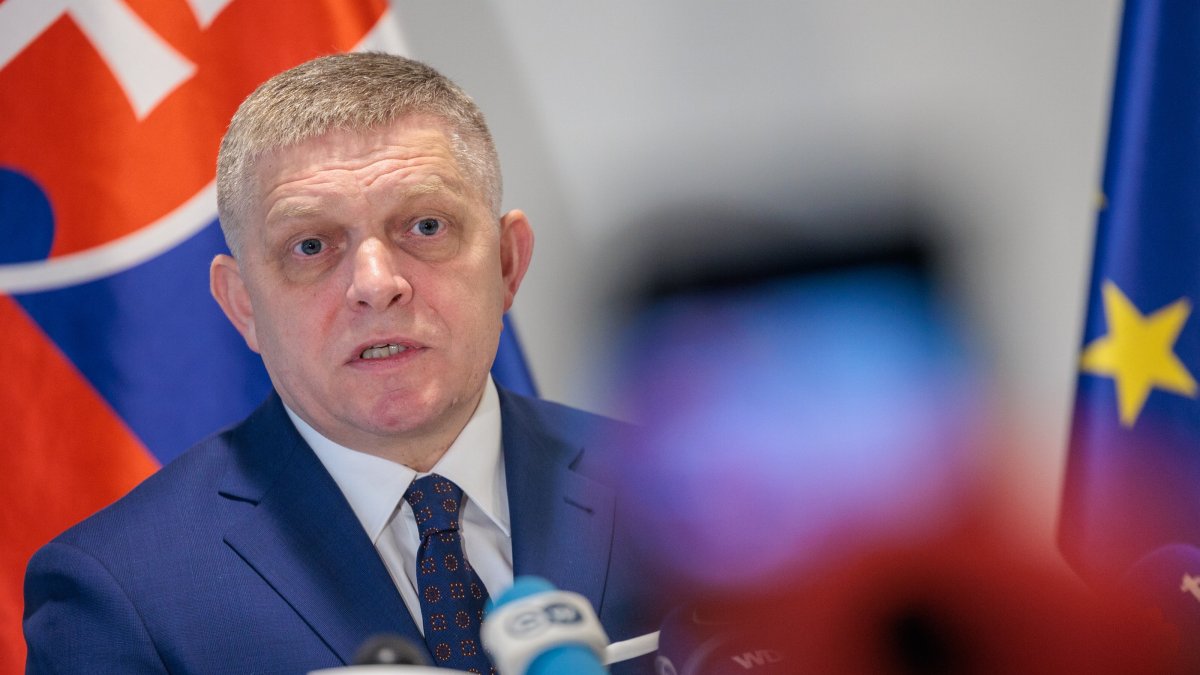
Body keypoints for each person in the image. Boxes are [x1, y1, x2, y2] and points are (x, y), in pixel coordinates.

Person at [24, 52, 658, 674]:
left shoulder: (690, 495)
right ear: (242, 306)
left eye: (427, 226)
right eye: (310, 245)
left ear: (506, 263)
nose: (377, 284)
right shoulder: (117, 593)